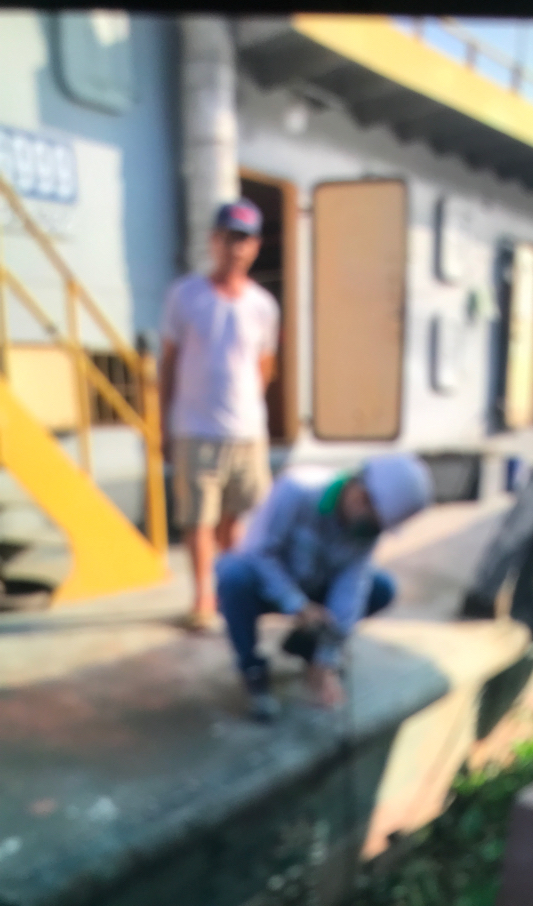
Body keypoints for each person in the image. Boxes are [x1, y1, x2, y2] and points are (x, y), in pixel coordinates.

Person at [216, 454, 434, 722]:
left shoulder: (367, 530)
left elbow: (351, 587)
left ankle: (307, 648)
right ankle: (252, 669)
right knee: (232, 574)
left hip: (316, 588)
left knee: (380, 588)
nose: (371, 532)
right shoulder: (296, 490)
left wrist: (326, 658)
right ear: (360, 497)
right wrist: (296, 604)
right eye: (373, 523)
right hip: (269, 585)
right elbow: (257, 554)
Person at [159, 198, 279, 630]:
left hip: (247, 433)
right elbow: (168, 363)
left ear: (256, 247)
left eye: (244, 240)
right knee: (198, 519)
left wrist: (244, 410)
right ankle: (203, 597)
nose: (236, 248)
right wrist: (165, 425)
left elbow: (264, 368)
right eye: (228, 238)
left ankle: (231, 590)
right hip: (195, 430)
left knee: (237, 521)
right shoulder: (184, 296)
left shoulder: (264, 306)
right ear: (213, 240)